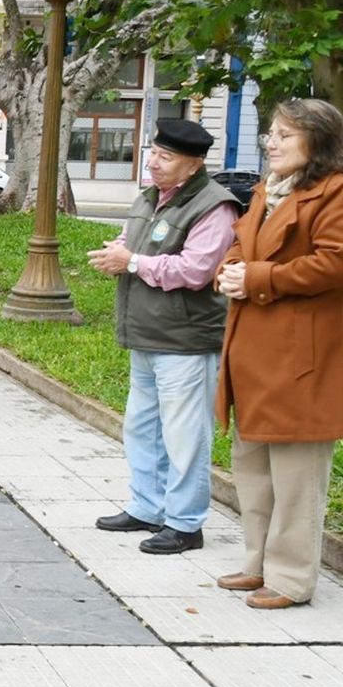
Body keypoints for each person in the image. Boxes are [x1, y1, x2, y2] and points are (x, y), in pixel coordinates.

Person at [214, 98, 343, 609]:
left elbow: (334, 264)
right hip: (253, 354)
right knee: (254, 471)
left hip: (302, 359)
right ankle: (258, 564)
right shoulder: (267, 190)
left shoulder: (337, 192)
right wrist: (231, 269)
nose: (271, 142)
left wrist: (256, 278)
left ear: (317, 142)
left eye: (284, 134)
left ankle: (292, 579)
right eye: (271, 134)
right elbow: (243, 244)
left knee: (297, 478)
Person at [87, 119, 239, 555]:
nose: (153, 162)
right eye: (152, 152)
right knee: (143, 427)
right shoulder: (152, 196)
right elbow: (129, 240)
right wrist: (117, 252)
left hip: (186, 339)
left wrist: (132, 262)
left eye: (165, 157)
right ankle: (147, 506)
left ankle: (186, 523)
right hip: (147, 334)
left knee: (185, 434)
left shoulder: (215, 206)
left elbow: (196, 271)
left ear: (193, 165)